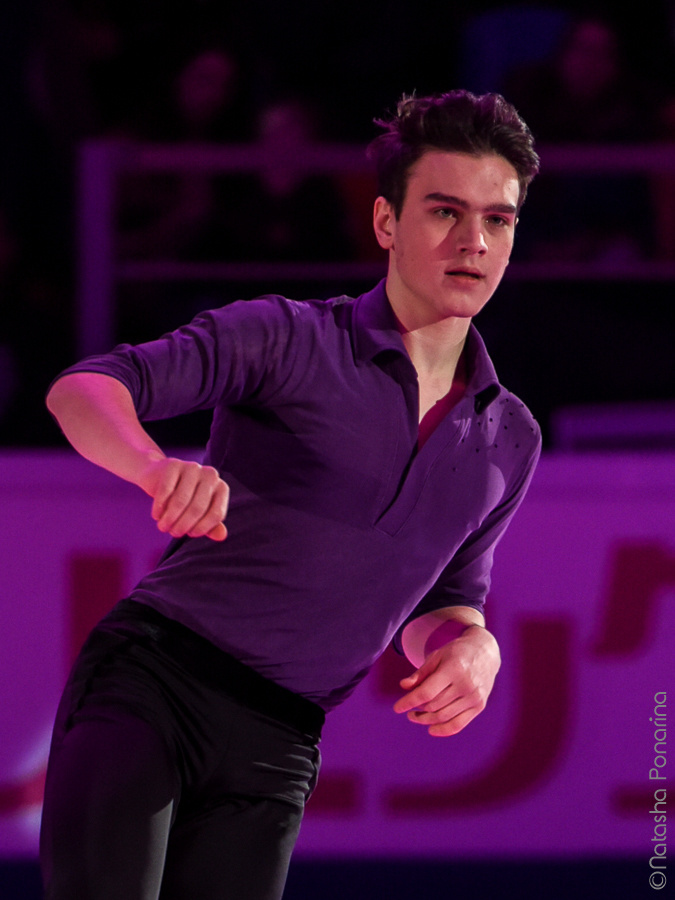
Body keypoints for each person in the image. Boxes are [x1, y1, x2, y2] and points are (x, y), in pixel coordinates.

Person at [40, 89, 541, 900]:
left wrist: (470, 647)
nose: (473, 242)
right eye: (444, 211)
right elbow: (85, 387)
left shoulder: (508, 437)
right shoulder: (287, 338)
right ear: (385, 223)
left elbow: (443, 600)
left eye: (498, 219)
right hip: (153, 685)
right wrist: (152, 467)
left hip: (281, 742)